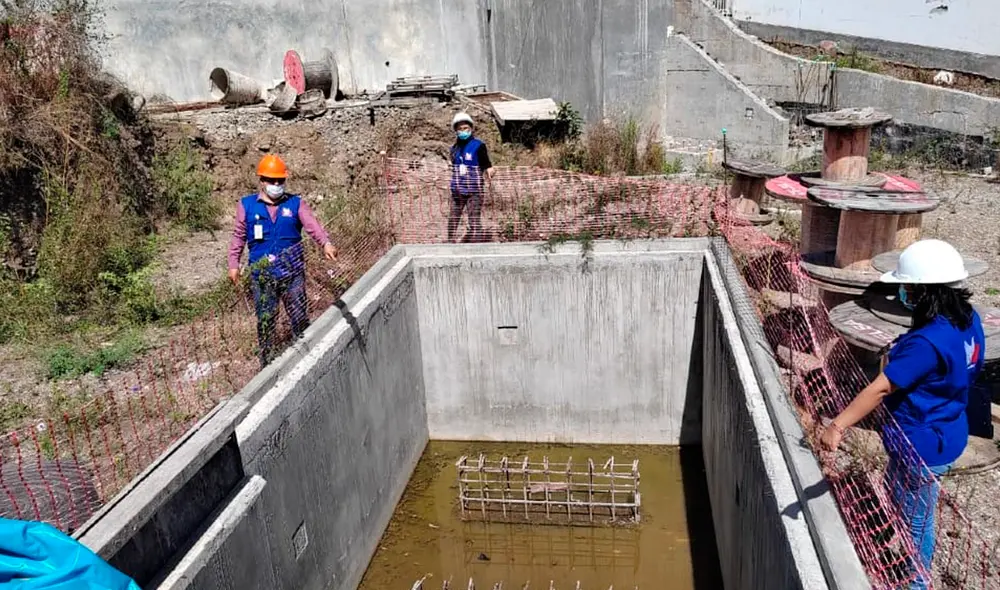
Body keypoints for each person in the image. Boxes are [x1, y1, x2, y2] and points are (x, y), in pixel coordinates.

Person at [820, 239, 984, 589]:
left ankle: (915, 583)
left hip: (920, 443)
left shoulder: (926, 343)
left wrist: (837, 425)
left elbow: (880, 389)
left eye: (908, 288)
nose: (903, 294)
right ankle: (894, 543)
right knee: (904, 499)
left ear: (926, 291)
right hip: (949, 428)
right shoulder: (969, 319)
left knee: (917, 521)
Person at [228, 154, 338, 367]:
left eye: (280, 180)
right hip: (263, 276)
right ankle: (267, 363)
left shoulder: (295, 204)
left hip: (292, 273)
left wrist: (325, 243)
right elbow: (238, 236)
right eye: (272, 180)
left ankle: (305, 359)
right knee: (266, 319)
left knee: (299, 316)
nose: (277, 185)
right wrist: (234, 264)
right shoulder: (247, 205)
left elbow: (312, 225)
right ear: (262, 181)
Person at [448, 111, 494, 243]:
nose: (463, 131)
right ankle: (449, 243)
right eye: (460, 129)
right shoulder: (454, 148)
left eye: (466, 128)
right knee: (453, 218)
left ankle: (476, 246)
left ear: (471, 128)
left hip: (474, 190)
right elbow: (454, 164)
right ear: (456, 131)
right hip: (457, 190)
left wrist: (489, 169)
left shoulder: (478, 145)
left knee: (474, 220)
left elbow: (486, 163)